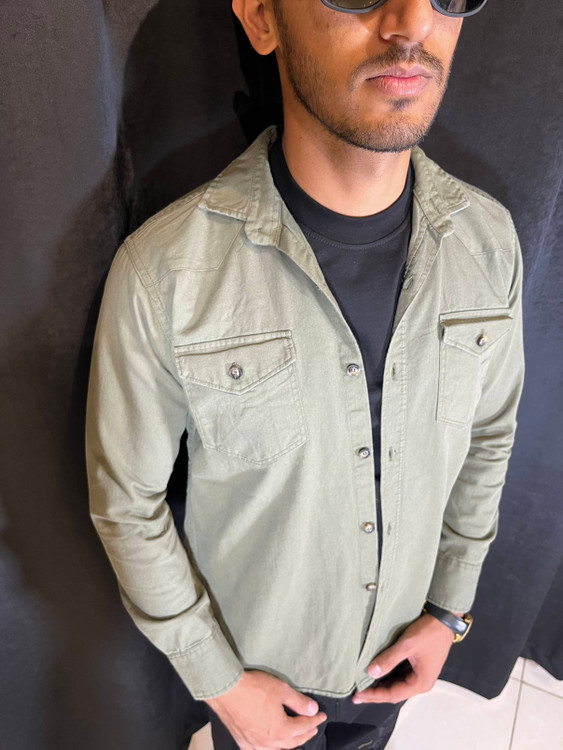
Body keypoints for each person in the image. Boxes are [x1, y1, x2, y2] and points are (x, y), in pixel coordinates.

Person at [85, 0, 525, 748]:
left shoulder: (489, 244)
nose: (412, 22)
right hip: (258, 677)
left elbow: (488, 437)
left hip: (395, 659)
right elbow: (127, 502)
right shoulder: (166, 273)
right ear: (262, 17)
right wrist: (217, 680)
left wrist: (448, 610)